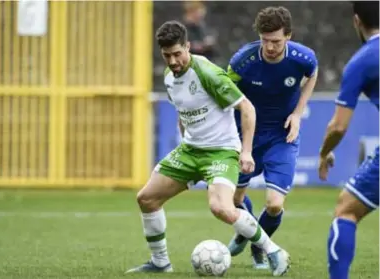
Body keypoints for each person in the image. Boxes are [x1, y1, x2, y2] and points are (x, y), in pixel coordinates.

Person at [125, 20, 290, 276]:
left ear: (188, 47)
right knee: (146, 199)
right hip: (191, 150)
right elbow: (184, 112)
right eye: (167, 55)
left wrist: (245, 152)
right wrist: (185, 142)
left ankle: (274, 251)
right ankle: (160, 262)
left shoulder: (208, 73)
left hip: (221, 151)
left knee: (221, 208)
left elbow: (247, 108)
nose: (172, 61)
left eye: (177, 54)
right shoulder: (170, 78)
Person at [226, 6, 318, 269]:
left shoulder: (304, 58)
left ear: (288, 36)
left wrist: (298, 114)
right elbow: (223, 90)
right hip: (245, 136)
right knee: (233, 200)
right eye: (265, 40)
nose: (269, 47)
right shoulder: (242, 60)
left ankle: (257, 244)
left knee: (275, 204)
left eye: (276, 41)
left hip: (282, 135)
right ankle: (248, 230)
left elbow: (313, 74)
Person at [318, 2, 379, 279]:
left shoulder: (363, 60)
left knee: (346, 210)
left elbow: (338, 126)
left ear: (357, 21)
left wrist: (324, 152)